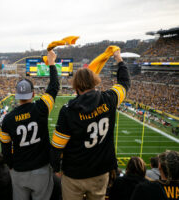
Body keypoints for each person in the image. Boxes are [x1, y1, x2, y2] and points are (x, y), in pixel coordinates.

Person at [50, 50, 130, 200]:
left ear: (75, 85)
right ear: (95, 81)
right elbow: (125, 83)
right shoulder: (110, 99)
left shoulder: (69, 110)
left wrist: (55, 168)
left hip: (75, 174)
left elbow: (57, 146)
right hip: (101, 171)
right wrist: (119, 59)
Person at [0, 50, 59, 200]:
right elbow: (53, 87)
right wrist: (52, 63)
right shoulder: (41, 107)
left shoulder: (8, 119)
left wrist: (11, 165)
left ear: (17, 96)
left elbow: (5, 147)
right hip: (41, 168)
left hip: (19, 169)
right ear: (33, 94)